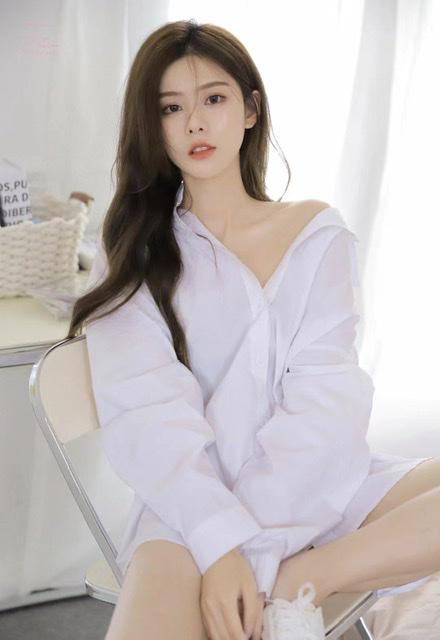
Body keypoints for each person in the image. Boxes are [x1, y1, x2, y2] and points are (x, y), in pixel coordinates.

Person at [67, 19, 438, 640]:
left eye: (213, 98)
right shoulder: (132, 251)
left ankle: (303, 580)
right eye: (170, 107)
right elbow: (149, 417)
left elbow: (325, 406)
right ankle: (293, 584)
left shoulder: (316, 234)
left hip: (320, 487)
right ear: (152, 126)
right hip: (188, 513)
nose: (195, 123)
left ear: (249, 110)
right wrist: (221, 546)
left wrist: (258, 558)